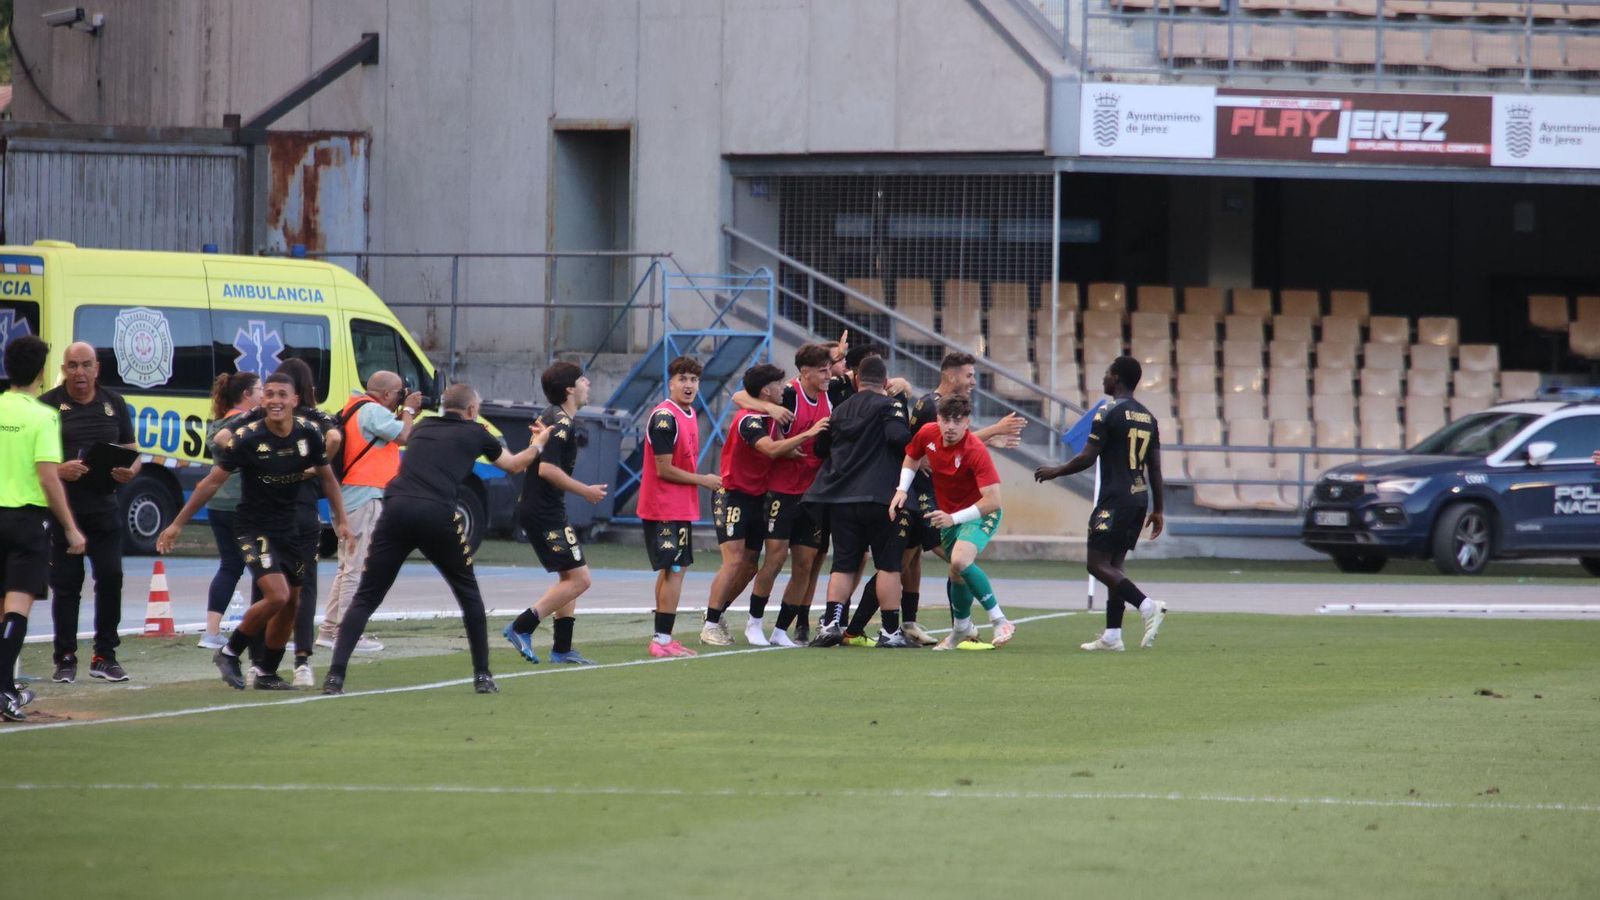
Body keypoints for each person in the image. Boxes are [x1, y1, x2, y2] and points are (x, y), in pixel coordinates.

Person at [322, 383, 546, 695]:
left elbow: (405, 433)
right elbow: (515, 464)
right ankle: (482, 675)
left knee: (366, 597)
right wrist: (538, 444)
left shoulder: (423, 426)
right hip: (437, 513)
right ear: (471, 410)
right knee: (468, 595)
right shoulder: (476, 432)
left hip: (396, 510)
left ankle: (335, 676)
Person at [157, 372, 352, 690]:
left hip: (288, 530)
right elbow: (211, 482)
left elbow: (328, 479)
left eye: (282, 394)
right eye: (269, 394)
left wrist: (341, 520)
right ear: (262, 400)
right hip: (252, 528)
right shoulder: (247, 438)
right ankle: (229, 652)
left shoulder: (308, 434)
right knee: (278, 595)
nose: (275, 400)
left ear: (294, 400)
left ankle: (265, 672)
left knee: (292, 603)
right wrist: (177, 524)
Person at [844, 350, 1024, 646]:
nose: (973, 382)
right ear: (951, 376)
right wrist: (994, 431)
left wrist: (989, 438)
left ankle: (915, 624)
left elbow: (956, 446)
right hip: (927, 500)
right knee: (922, 562)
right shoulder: (932, 408)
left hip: (936, 501)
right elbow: (926, 448)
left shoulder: (939, 410)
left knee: (914, 561)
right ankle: (964, 626)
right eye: (969, 375)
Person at [220, 358, 342, 686]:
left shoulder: (264, 416)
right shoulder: (314, 417)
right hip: (301, 510)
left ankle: (257, 662)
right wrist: (311, 470)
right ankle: (299, 661)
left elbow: (221, 437)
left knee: (270, 589)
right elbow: (334, 440)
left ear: (292, 393)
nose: (273, 398)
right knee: (296, 590)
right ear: (308, 387)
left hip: (278, 512)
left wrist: (255, 463)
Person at [1034, 356, 1168, 652]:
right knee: (1114, 565)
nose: (1103, 378)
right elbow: (1156, 468)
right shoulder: (1149, 418)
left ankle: (1147, 606)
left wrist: (1055, 470)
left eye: (1107, 373)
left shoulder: (1108, 411)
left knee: (1096, 564)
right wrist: (1158, 509)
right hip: (1139, 498)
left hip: (1114, 498)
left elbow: (1087, 457)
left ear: (1116, 378)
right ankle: (1112, 635)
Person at [699, 363, 827, 647]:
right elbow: (768, 448)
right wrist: (808, 434)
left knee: (748, 567)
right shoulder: (750, 420)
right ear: (766, 390)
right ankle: (710, 624)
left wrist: (791, 451)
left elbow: (777, 445)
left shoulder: (771, 415)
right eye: (778, 385)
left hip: (757, 497)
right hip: (732, 495)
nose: (784, 388)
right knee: (734, 561)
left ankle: (718, 613)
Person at [41, 342, 140, 684]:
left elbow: (133, 451)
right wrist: (60, 470)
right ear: (63, 369)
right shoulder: (48, 405)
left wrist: (130, 471)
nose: (80, 372)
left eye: (86, 365)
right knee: (67, 585)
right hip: (65, 510)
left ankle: (105, 656)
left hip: (105, 507)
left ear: (97, 368)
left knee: (111, 577)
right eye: (73, 365)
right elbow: (34, 464)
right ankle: (65, 657)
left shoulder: (114, 403)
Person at [0, 336, 87, 721]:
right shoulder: (44, 416)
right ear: (41, 372)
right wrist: (70, 528)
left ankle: (6, 686)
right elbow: (49, 478)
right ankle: (3, 690)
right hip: (25, 520)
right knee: (17, 607)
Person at [732, 342, 840, 646]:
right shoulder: (789, 394)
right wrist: (769, 408)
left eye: (829, 369)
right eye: (822, 371)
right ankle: (754, 623)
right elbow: (739, 397)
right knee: (776, 558)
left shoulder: (831, 394)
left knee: (805, 563)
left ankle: (781, 630)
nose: (828, 375)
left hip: (812, 493)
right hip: (781, 490)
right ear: (805, 373)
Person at [804, 355, 914, 648]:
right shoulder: (890, 405)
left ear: (856, 380)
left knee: (843, 564)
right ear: (886, 381)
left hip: (841, 498)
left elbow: (821, 447)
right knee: (888, 565)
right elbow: (898, 437)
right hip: (880, 498)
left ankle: (831, 624)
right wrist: (918, 449)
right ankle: (889, 631)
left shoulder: (839, 409)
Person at [503, 362, 608, 666]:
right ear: (569, 389)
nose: (588, 383)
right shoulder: (560, 422)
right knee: (581, 579)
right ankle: (522, 626)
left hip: (544, 508)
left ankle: (562, 649)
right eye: (582, 379)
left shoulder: (553, 416)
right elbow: (547, 470)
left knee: (569, 576)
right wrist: (586, 491)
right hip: (544, 512)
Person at [891, 393, 1014, 650]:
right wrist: (902, 489)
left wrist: (953, 518)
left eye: (957, 421)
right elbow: (912, 456)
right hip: (950, 515)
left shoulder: (975, 450)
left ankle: (999, 619)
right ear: (937, 419)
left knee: (959, 560)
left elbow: (993, 501)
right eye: (946, 420)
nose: (950, 426)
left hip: (980, 513)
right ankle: (960, 629)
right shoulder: (927, 433)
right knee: (956, 572)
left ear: (967, 422)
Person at [316, 371, 422, 657]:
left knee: (346, 567)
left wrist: (404, 411)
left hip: (347, 496)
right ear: (386, 394)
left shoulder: (356, 407)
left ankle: (329, 630)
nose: (401, 398)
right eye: (398, 393)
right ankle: (346, 632)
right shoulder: (373, 411)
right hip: (364, 497)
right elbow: (405, 435)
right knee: (357, 568)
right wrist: (410, 410)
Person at [637, 356, 721, 657]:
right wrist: (703, 480)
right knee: (674, 570)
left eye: (693, 380)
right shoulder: (665, 417)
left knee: (672, 569)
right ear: (670, 382)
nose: (689, 385)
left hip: (678, 506)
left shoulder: (689, 413)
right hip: (664, 507)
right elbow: (664, 469)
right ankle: (661, 640)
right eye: (682, 379)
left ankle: (662, 637)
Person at [197, 372, 262, 650]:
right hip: (242, 503)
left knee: (230, 565)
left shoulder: (218, 423)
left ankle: (211, 631)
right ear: (246, 394)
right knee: (264, 567)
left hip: (217, 503)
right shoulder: (247, 424)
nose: (264, 395)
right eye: (260, 389)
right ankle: (261, 631)